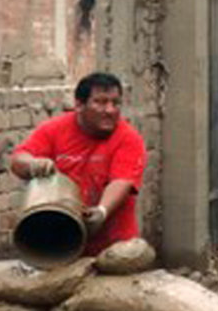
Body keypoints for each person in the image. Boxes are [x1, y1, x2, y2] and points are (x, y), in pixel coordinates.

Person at [11, 72, 147, 256]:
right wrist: (32, 164)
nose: (110, 110)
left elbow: (122, 181)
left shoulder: (128, 139)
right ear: (79, 105)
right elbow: (19, 159)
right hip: (59, 244)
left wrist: (102, 211)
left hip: (113, 248)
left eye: (115, 103)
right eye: (100, 102)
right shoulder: (55, 130)